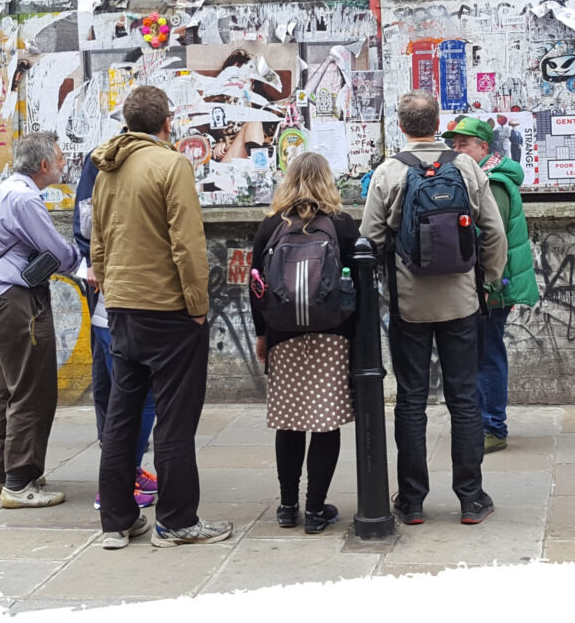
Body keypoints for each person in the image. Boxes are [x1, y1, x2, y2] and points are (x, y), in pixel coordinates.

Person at [91, 85, 232, 549]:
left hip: (123, 306)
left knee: (122, 414)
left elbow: (98, 240)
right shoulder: (172, 164)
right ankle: (176, 520)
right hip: (167, 308)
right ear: (166, 122)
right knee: (174, 419)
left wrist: (111, 289)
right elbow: (187, 244)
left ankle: (117, 521)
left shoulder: (107, 167)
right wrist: (197, 305)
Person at [360, 90, 507, 525]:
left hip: (410, 305)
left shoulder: (388, 172)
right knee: (464, 399)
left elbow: (369, 241)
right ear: (438, 123)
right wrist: (488, 282)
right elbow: (493, 233)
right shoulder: (465, 167)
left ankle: (412, 501)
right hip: (461, 302)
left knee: (411, 401)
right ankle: (471, 498)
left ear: (401, 126)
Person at [248, 152, 359, 534]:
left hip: (282, 335)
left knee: (290, 423)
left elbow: (256, 285)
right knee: (326, 425)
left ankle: (286, 506)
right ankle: (315, 510)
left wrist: (262, 333)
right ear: (327, 180)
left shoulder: (271, 226)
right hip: (332, 337)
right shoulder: (342, 226)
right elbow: (357, 286)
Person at [0, 131, 81, 508]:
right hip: (17, 302)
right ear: (43, 165)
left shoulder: (4, 190)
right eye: (59, 156)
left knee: (7, 388)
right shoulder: (25, 199)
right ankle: (19, 483)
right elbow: (58, 252)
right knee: (33, 391)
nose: (64, 161)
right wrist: (79, 259)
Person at [443, 117, 540, 454]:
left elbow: (491, 238)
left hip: (492, 287)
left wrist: (489, 285)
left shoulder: (493, 182)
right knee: (483, 353)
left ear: (484, 147)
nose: (457, 150)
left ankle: (493, 427)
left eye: (464, 144)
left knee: (487, 355)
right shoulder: (479, 177)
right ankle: (484, 423)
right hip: (487, 284)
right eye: (453, 145)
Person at [72, 150, 158, 513]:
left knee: (115, 391)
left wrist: (94, 265)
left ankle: (124, 472)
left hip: (109, 306)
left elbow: (86, 230)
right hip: (132, 305)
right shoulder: (157, 165)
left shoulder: (102, 164)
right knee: (138, 397)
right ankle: (118, 480)